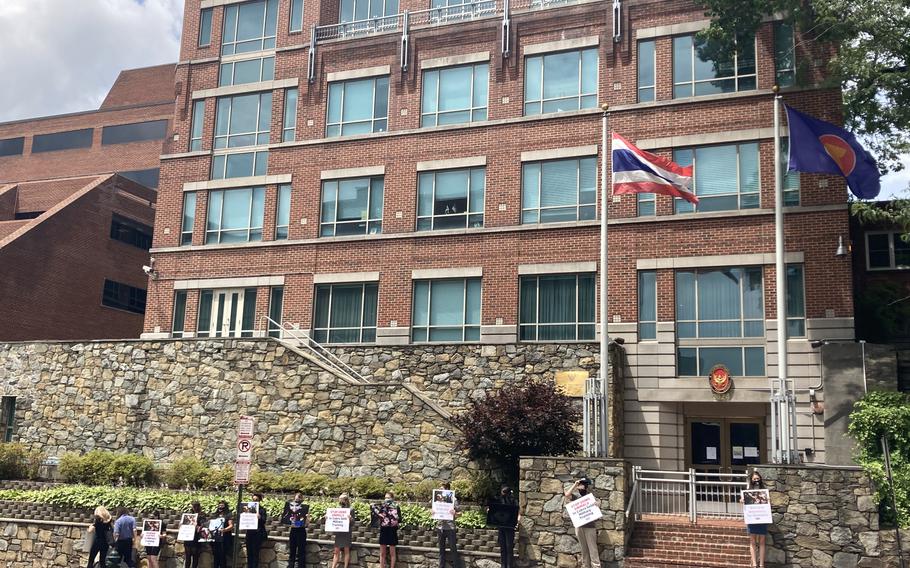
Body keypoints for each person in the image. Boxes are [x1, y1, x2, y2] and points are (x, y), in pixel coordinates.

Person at [564, 478, 600, 568]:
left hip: (590, 527)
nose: (581, 486)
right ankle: (586, 565)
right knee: (584, 548)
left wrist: (597, 504)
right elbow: (567, 494)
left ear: (586, 486)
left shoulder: (590, 497)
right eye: (580, 484)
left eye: (582, 484)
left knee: (592, 548)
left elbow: (598, 503)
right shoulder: (576, 496)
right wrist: (575, 484)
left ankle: (596, 566)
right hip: (579, 527)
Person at [489, 485, 521, 568]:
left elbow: (517, 512)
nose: (502, 494)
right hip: (501, 526)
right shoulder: (499, 500)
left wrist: (517, 521)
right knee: (503, 547)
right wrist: (490, 511)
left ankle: (509, 565)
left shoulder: (513, 500)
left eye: (504, 492)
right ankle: (503, 565)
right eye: (502, 492)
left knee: (509, 547)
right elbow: (495, 511)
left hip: (510, 527)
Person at [745, 470, 769, 568]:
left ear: (760, 479)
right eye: (754, 479)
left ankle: (762, 564)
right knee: (752, 541)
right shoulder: (748, 491)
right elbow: (742, 501)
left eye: (757, 478)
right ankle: (754, 564)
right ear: (751, 480)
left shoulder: (764, 490)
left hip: (762, 518)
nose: (756, 480)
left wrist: (768, 500)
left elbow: (767, 502)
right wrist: (742, 500)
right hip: (752, 519)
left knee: (762, 541)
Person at [372, 492, 401, 568]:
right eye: (385, 498)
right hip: (384, 530)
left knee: (392, 553)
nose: (386, 499)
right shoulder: (382, 507)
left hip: (392, 530)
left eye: (388, 497)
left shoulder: (396, 507)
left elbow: (400, 519)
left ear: (392, 498)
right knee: (382, 553)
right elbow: (377, 516)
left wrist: (395, 517)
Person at [435, 482, 461, 568]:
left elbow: (460, 513)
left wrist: (455, 513)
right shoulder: (437, 499)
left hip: (450, 528)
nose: (440, 491)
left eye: (442, 489)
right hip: (440, 527)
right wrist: (432, 512)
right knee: (441, 550)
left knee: (453, 549)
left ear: (447, 490)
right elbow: (434, 512)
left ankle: (457, 566)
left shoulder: (453, 499)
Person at [282, 492, 310, 568]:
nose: (297, 501)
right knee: (292, 551)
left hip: (301, 531)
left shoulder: (305, 509)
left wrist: (307, 518)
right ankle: (291, 566)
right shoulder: (291, 508)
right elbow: (286, 520)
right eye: (296, 500)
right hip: (293, 530)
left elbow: (307, 524)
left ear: (301, 499)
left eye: (298, 499)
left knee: (301, 551)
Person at [330, 493, 354, 568]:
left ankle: (345, 566)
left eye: (341, 499)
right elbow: (334, 519)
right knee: (336, 551)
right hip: (339, 532)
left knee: (346, 550)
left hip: (346, 532)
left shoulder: (351, 509)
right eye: (339, 499)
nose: (340, 501)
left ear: (345, 500)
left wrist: (350, 519)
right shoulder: (337, 508)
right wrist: (329, 517)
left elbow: (353, 523)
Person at [245, 493, 268, 568]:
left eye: (256, 500)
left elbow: (264, 521)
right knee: (249, 553)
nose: (255, 501)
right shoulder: (248, 509)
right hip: (249, 533)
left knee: (255, 553)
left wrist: (259, 517)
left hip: (257, 534)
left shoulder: (262, 510)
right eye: (253, 499)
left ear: (260, 501)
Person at [210, 500, 234, 568]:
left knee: (222, 556)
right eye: (219, 506)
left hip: (224, 539)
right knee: (216, 556)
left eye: (222, 506)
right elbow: (210, 524)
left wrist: (224, 530)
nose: (220, 507)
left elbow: (231, 526)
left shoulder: (228, 515)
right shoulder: (215, 515)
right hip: (215, 538)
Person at [183, 502, 206, 568]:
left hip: (196, 537)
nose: (192, 508)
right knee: (188, 556)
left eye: (194, 506)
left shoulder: (202, 515)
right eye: (192, 506)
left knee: (195, 557)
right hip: (188, 537)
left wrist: (198, 527)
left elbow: (203, 524)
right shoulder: (189, 514)